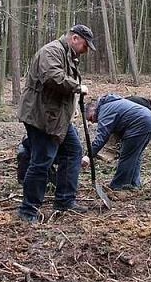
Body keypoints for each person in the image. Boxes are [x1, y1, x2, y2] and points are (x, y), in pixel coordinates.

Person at [17, 24, 96, 222]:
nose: (86, 51)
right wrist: (77, 87)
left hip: (57, 117)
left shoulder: (66, 54)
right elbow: (52, 77)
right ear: (75, 38)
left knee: (73, 151)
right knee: (42, 161)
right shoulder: (51, 51)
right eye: (85, 46)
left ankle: (64, 200)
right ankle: (28, 210)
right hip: (42, 116)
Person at [82, 94, 151, 191]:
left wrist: (89, 155)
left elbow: (101, 137)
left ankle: (117, 186)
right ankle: (134, 183)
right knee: (135, 155)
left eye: (90, 118)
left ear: (92, 110)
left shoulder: (104, 111)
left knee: (126, 156)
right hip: (149, 121)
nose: (92, 122)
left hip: (141, 124)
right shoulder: (110, 105)